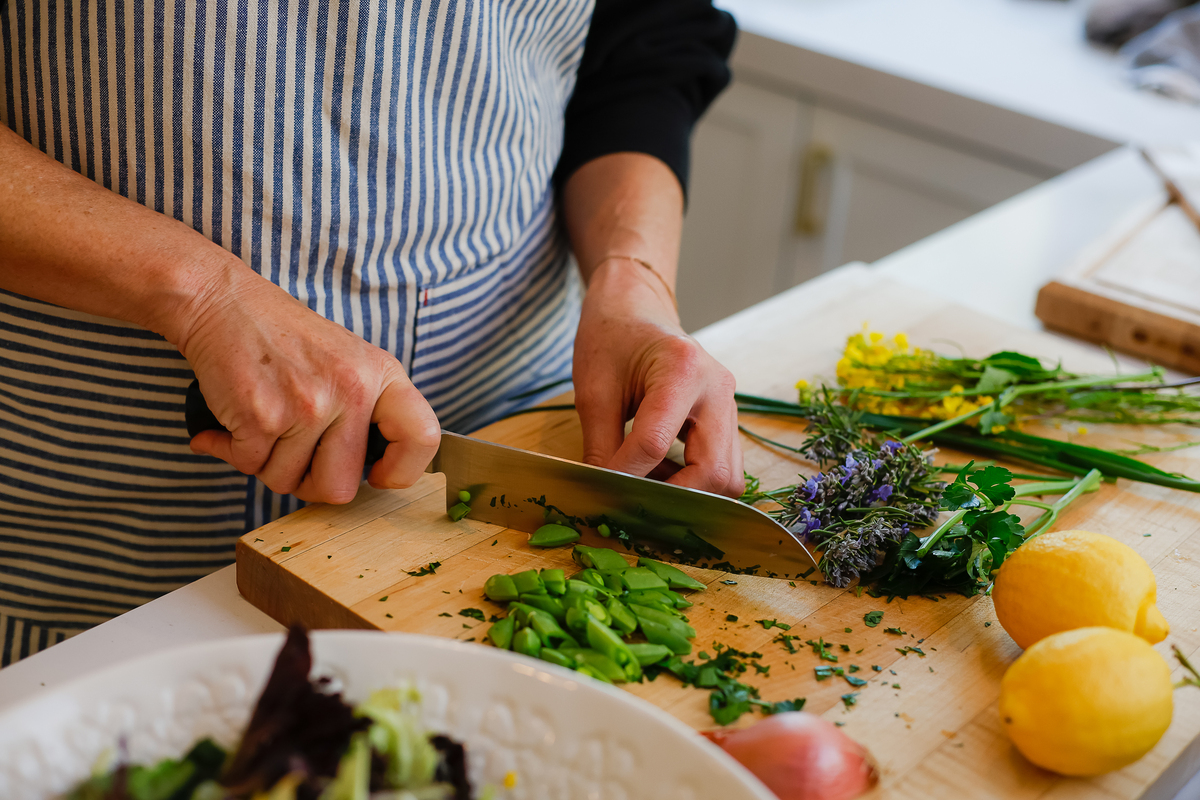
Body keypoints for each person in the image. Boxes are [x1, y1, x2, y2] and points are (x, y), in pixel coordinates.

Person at [0, 0, 742, 665]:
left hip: (509, 439)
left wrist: (632, 277)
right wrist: (201, 295)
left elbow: (644, 39)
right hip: (94, 510)